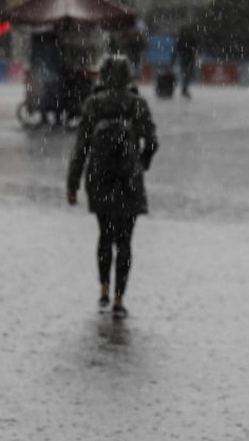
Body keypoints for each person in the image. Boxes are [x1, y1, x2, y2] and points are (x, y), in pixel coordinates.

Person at [66, 56, 159, 319]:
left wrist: (72, 183)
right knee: (125, 240)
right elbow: (152, 142)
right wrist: (141, 164)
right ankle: (120, 297)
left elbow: (81, 148)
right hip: (129, 179)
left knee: (105, 235)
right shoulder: (137, 104)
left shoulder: (94, 104)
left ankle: (104, 290)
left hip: (100, 177)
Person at [173, 24, 199, 99]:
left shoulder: (182, 38)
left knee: (186, 74)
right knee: (186, 74)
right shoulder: (189, 38)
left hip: (186, 58)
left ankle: (184, 88)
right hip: (187, 58)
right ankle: (184, 89)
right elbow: (195, 48)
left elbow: (177, 49)